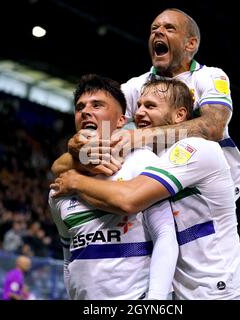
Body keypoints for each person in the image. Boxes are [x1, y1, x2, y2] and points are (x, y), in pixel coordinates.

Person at [51, 79, 240, 300]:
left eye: (150, 106)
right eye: (139, 105)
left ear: (179, 116)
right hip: (186, 293)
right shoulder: (149, 155)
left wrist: (75, 181)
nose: (139, 112)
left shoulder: (197, 150)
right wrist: (74, 154)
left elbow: (129, 199)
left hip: (225, 291)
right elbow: (60, 164)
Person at [52, 8, 240, 200]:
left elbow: (213, 127)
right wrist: (79, 146)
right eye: (154, 29)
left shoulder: (209, 76)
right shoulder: (135, 86)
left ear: (191, 44)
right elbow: (100, 126)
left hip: (210, 188)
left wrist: (139, 136)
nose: (158, 32)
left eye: (169, 28)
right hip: (160, 183)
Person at [48, 74, 178, 300]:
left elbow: (165, 236)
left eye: (97, 105)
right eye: (80, 107)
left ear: (121, 120)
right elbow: (69, 254)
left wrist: (155, 301)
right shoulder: (59, 187)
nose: (85, 111)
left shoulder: (142, 161)